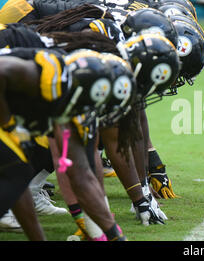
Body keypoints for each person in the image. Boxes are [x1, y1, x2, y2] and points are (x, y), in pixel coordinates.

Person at [0, 47, 127, 240]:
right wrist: (7, 123)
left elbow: (80, 175)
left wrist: (114, 235)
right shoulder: (47, 75)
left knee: (20, 171)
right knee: (16, 167)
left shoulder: (68, 98)